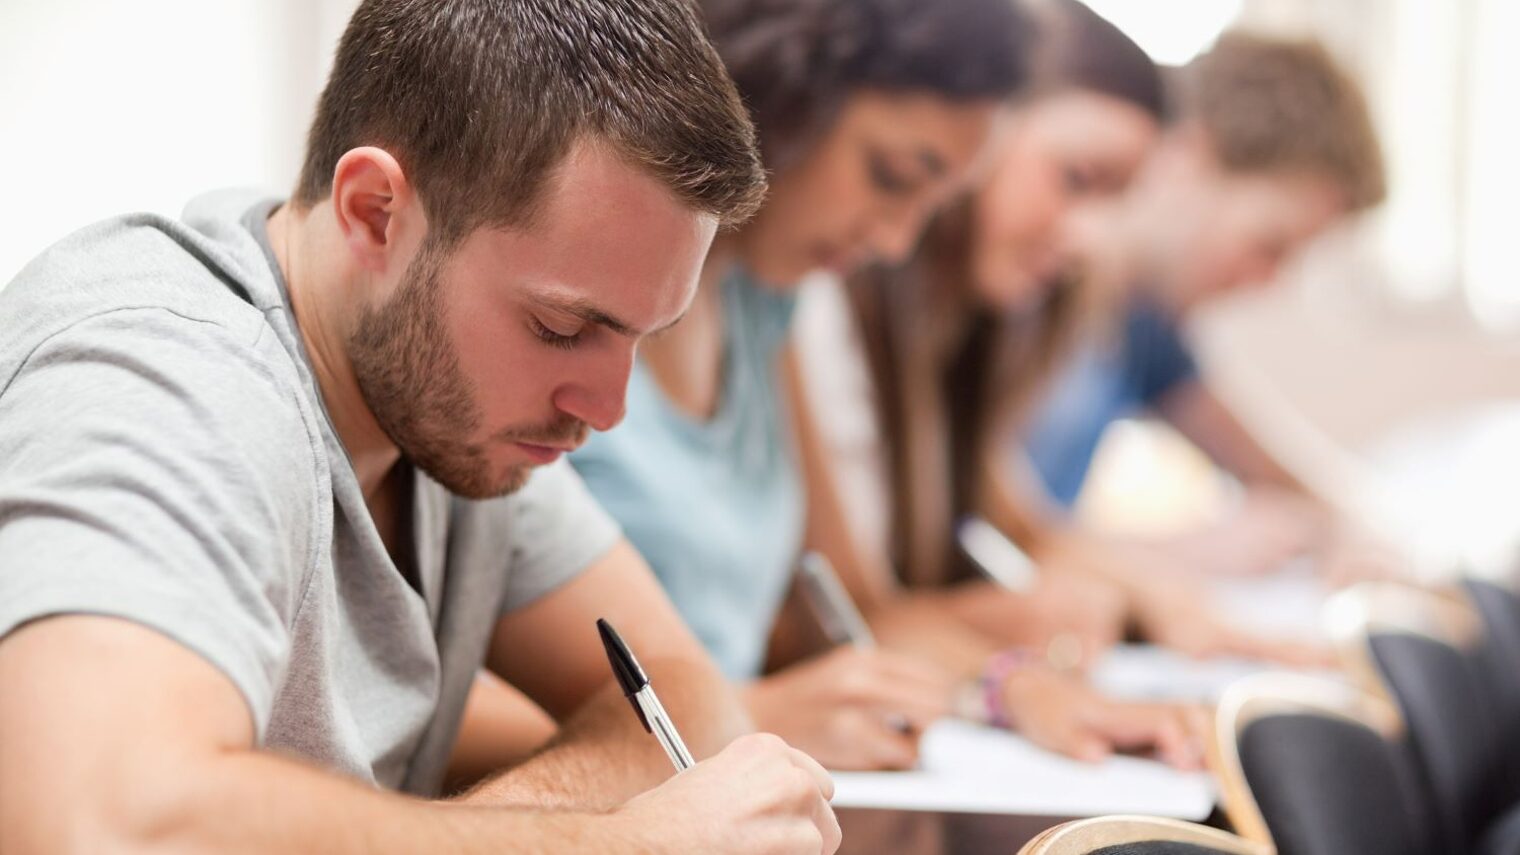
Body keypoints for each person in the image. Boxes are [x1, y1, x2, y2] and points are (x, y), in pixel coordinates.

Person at [0, 1, 841, 852]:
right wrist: (617, 843)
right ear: (373, 212)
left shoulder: (455, 417)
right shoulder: (166, 382)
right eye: (562, 328)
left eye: (639, 338)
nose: (608, 408)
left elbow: (686, 693)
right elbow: (99, 824)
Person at [566, 0, 1199, 772]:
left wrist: (1014, 688)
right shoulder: (583, 295)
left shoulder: (765, 299)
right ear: (778, 95)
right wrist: (743, 716)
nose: (897, 241)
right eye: (890, 176)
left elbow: (857, 611)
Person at [786, 0, 1214, 762]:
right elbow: (843, 612)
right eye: (1076, 178)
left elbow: (1024, 526)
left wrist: (1172, 606)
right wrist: (1010, 672)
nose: (1087, 237)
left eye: (1114, 201)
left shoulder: (952, 335)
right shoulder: (816, 302)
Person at [1021, 32, 1390, 582]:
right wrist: (1176, 555)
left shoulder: (1143, 327)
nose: (1267, 283)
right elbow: (972, 544)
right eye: (1269, 246)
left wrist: (1346, 534)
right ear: (1188, 157)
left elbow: (1280, 476)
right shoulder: (1020, 284)